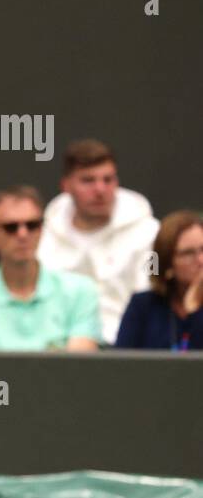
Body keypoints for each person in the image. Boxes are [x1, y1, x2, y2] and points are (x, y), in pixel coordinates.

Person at [0, 186, 101, 351]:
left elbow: (79, 368)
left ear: (42, 230)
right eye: (11, 227)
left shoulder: (81, 291)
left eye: (32, 225)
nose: (23, 234)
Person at [37, 139, 159, 344]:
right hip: (59, 351)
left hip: (130, 350)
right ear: (66, 185)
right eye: (88, 180)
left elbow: (152, 294)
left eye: (108, 179)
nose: (100, 189)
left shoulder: (150, 234)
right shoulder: (42, 238)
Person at [115, 211, 203, 351]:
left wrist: (194, 309)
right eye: (188, 253)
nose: (200, 260)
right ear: (167, 262)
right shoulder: (143, 306)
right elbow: (118, 364)